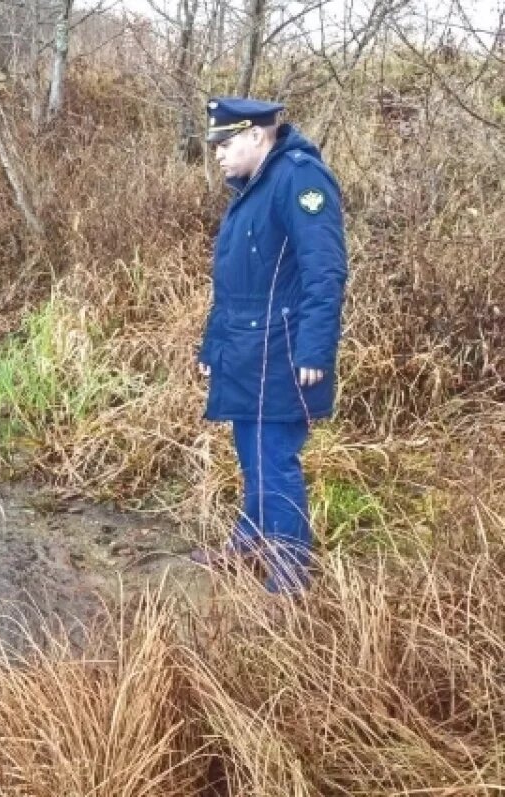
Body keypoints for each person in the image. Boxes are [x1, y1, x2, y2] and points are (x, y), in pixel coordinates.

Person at [192, 97, 349, 594]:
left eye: (225, 141)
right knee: (250, 450)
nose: (216, 152)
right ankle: (251, 537)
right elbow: (235, 284)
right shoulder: (250, 189)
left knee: (274, 455)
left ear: (257, 135)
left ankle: (291, 570)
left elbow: (325, 272)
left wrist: (313, 350)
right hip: (242, 350)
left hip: (281, 352)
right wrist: (212, 348)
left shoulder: (299, 179)